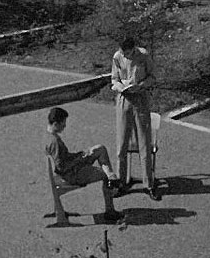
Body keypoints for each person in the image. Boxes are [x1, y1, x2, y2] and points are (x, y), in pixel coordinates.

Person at [45, 106, 121, 223]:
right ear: (56, 124)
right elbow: (61, 167)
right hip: (71, 175)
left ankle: (112, 177)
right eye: (63, 123)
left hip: (70, 169)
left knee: (100, 149)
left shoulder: (48, 136)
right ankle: (110, 210)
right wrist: (79, 159)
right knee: (105, 174)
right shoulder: (54, 142)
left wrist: (79, 155)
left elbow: (62, 159)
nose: (65, 126)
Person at [112, 34, 160, 199]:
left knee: (144, 144)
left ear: (133, 48)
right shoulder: (117, 57)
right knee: (121, 146)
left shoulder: (144, 56)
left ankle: (149, 184)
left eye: (127, 52)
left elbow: (153, 77)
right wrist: (120, 87)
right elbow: (114, 79)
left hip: (140, 99)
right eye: (123, 52)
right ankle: (121, 182)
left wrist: (140, 85)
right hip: (124, 100)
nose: (125, 55)